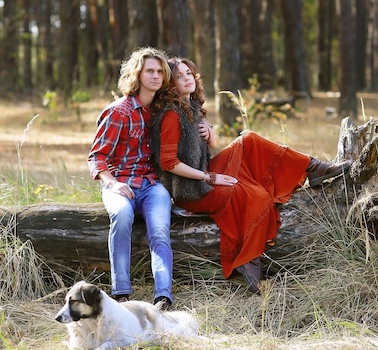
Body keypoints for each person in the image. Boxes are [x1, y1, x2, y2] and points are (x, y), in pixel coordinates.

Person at [150, 57, 351, 294]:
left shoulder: (191, 106)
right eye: (180, 76)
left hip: (203, 174)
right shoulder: (172, 115)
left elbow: (204, 151)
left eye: (189, 73)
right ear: (171, 84)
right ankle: (248, 259)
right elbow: (168, 162)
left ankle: (312, 167)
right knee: (254, 195)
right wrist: (210, 178)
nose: (187, 79)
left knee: (249, 140)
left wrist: (211, 134)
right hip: (190, 190)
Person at [88, 47, 174, 310]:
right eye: (150, 70)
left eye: (160, 71)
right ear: (137, 74)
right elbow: (97, 156)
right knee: (122, 217)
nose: (155, 76)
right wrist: (112, 183)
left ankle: (163, 296)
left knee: (159, 229)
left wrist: (208, 130)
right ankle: (121, 292)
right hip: (120, 184)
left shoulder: (161, 111)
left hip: (150, 185)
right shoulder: (119, 111)